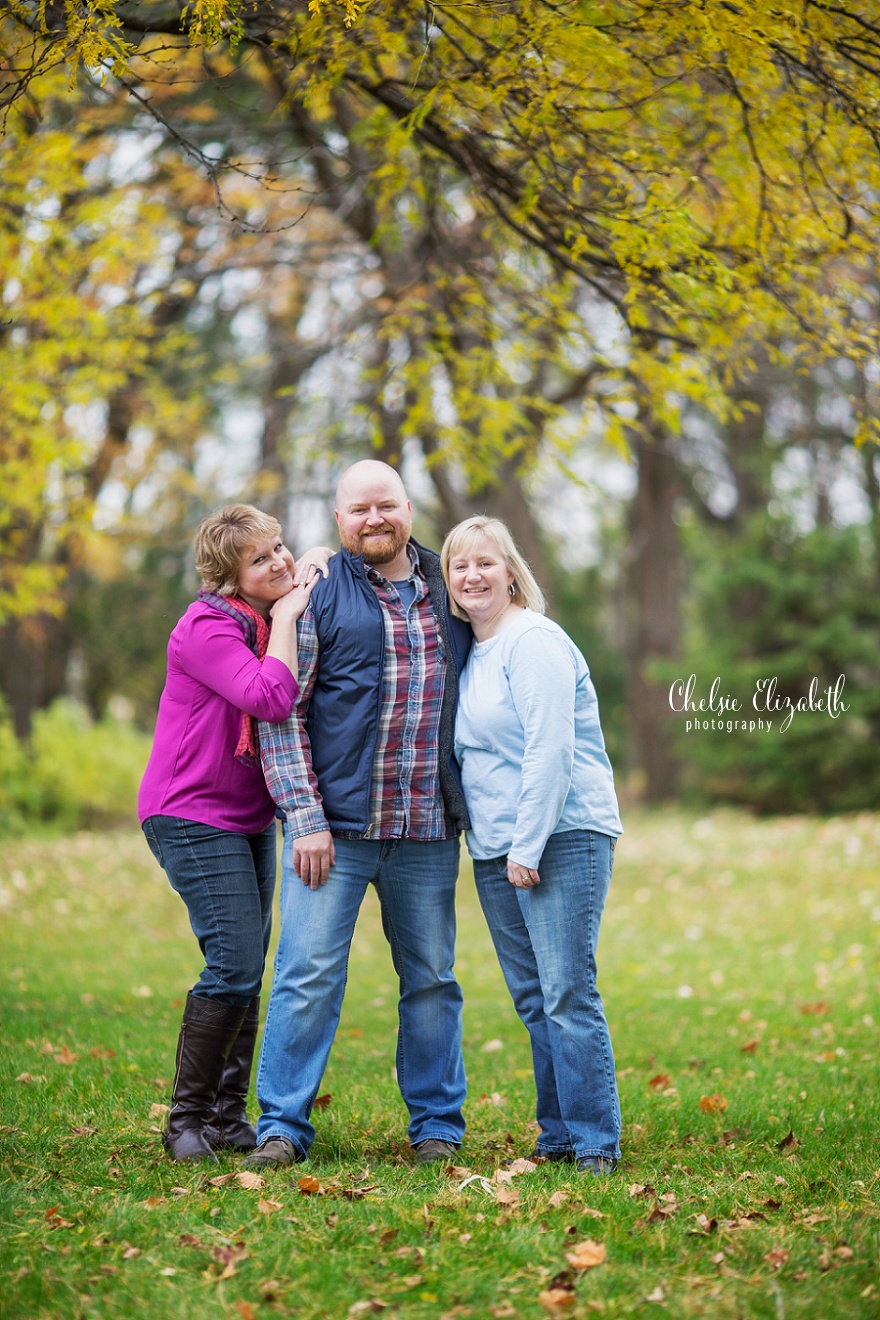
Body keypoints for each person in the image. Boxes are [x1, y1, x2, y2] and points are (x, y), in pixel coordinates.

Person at [244, 459, 472, 1169]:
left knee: (432, 978)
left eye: (387, 506)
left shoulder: (453, 588)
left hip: (429, 829)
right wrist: (304, 817)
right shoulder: (314, 592)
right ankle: (281, 1127)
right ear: (339, 521)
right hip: (333, 833)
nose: (375, 519)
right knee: (306, 974)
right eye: (358, 510)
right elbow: (284, 715)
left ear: (408, 509)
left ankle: (437, 1126)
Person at [138, 504, 324, 1164]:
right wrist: (292, 615)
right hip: (190, 812)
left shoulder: (260, 617)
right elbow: (270, 696)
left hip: (247, 814)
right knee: (236, 962)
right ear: (228, 575)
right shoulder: (208, 627)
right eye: (260, 557)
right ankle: (184, 1120)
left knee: (248, 966)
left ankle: (225, 1117)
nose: (279, 561)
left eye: (280, 547)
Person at [440, 515, 623, 1175]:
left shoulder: (533, 639)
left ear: (511, 570)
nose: (472, 576)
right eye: (459, 567)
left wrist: (528, 846)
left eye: (485, 563)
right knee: (533, 996)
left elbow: (552, 750)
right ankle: (560, 1135)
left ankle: (596, 1143)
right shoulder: (476, 650)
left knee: (568, 991)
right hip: (497, 847)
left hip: (561, 836)